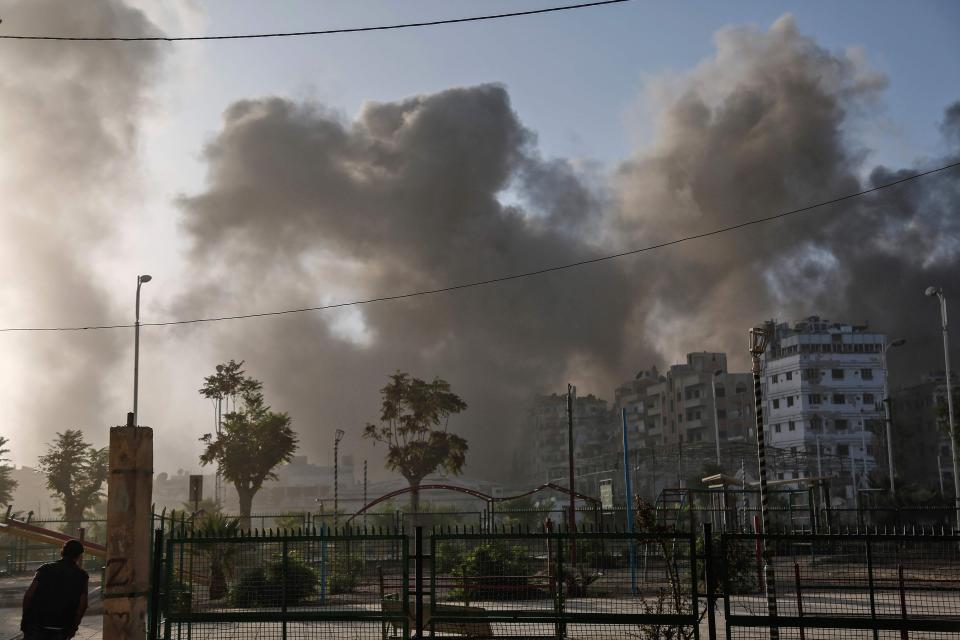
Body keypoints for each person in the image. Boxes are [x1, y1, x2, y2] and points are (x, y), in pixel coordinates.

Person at [21, 540, 89, 640]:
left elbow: (28, 596)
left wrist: (25, 619)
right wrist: (73, 628)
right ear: (79, 556)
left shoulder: (44, 569)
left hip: (36, 624)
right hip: (62, 627)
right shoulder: (82, 576)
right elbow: (82, 606)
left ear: (62, 551)